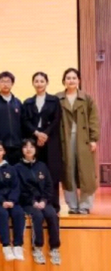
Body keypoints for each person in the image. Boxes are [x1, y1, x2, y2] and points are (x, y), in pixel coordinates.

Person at [58, 68, 100, 214]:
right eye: (68, 78)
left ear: (79, 80)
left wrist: (93, 139)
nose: (71, 80)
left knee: (86, 173)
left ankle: (85, 205)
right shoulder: (58, 99)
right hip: (65, 139)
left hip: (84, 139)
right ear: (64, 81)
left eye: (74, 78)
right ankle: (72, 205)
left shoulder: (86, 98)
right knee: (68, 171)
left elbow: (93, 119)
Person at [15, 139, 61, 265]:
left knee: (52, 214)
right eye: (25, 147)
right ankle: (38, 248)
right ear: (22, 150)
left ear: (35, 150)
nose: (29, 149)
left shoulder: (42, 166)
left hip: (43, 201)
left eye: (31, 147)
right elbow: (19, 189)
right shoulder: (17, 168)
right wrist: (32, 202)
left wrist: (44, 201)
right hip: (28, 203)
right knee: (38, 215)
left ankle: (54, 248)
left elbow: (49, 186)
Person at [21, 72, 63, 211]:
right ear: (33, 83)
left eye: (42, 81)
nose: (39, 84)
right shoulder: (28, 102)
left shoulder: (54, 100)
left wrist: (45, 134)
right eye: (36, 81)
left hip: (50, 140)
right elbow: (25, 121)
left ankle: (53, 205)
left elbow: (57, 119)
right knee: (35, 170)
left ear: (46, 83)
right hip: (33, 140)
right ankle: (35, 202)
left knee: (52, 172)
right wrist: (37, 134)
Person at [0, 72, 24, 165]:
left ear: (12, 84)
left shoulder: (18, 103)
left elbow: (22, 124)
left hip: (16, 145)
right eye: (3, 81)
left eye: (8, 81)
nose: (5, 84)